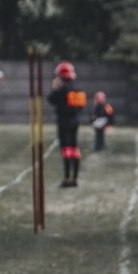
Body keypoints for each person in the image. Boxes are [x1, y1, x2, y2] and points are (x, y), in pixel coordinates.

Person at [47, 60, 88, 188]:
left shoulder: (63, 88)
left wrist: (54, 88)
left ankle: (66, 178)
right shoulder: (79, 87)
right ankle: (75, 177)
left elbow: (51, 99)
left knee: (66, 150)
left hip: (64, 120)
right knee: (74, 148)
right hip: (75, 120)